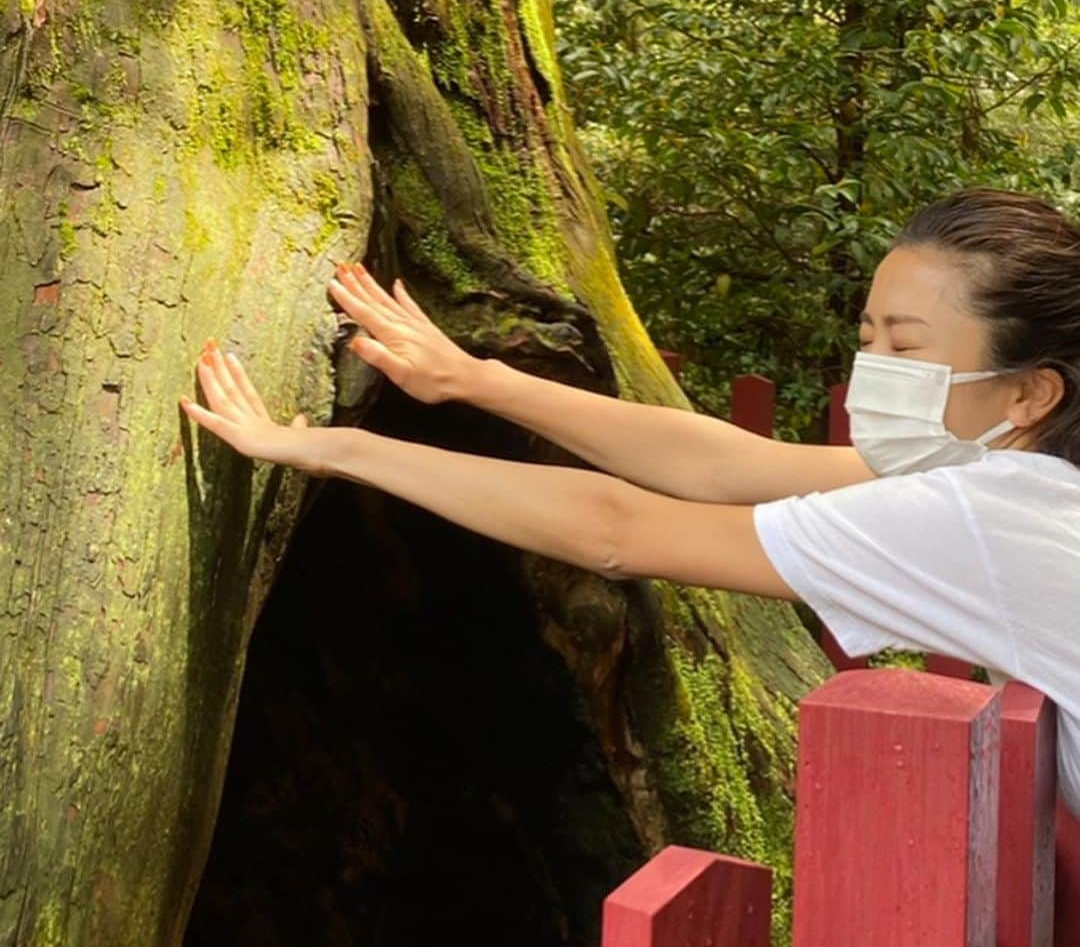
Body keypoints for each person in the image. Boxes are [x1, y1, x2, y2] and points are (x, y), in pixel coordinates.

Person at [178, 186, 1080, 812]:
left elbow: (620, 530)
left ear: (1031, 392)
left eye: (908, 348)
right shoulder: (1018, 487)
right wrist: (472, 380)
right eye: (869, 338)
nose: (875, 370)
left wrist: (341, 447)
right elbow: (724, 464)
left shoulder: (979, 518)